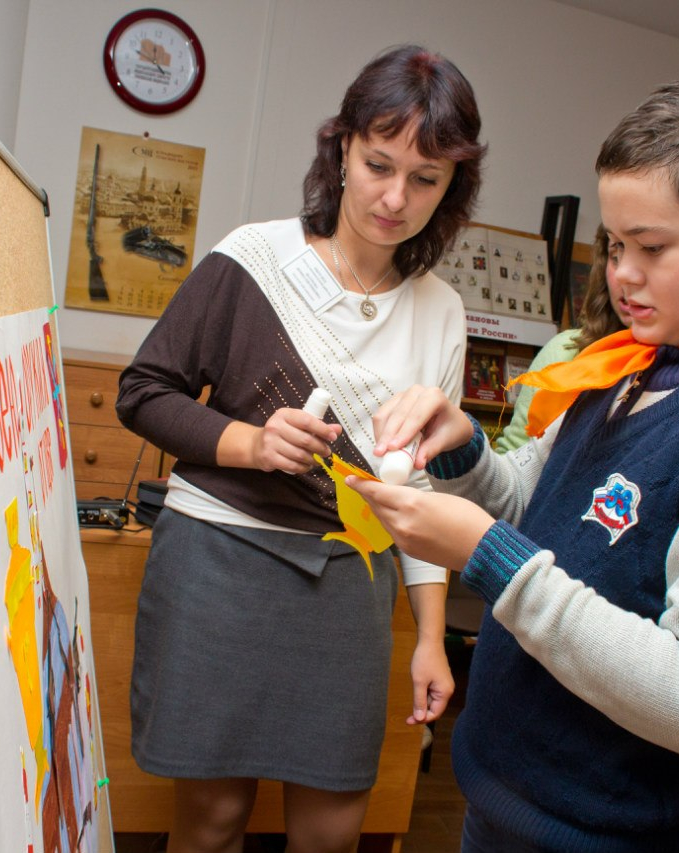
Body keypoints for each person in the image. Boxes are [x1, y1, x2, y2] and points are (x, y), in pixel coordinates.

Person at [350, 64, 679, 851]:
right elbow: (529, 501)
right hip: (507, 796)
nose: (620, 274)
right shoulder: (631, 363)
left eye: (651, 247)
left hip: (609, 831)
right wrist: (464, 450)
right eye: (615, 244)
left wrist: (491, 559)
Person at [114, 44, 486, 853]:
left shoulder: (442, 310)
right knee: (211, 821)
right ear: (342, 148)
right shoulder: (253, 259)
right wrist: (250, 441)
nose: (395, 198)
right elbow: (143, 392)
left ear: (452, 186)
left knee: (332, 829)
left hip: (350, 582)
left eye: (425, 179)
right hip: (219, 562)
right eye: (378, 164)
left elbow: (423, 495)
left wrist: (430, 635)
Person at [494, 222, 630, 453]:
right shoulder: (566, 350)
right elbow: (515, 453)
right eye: (616, 256)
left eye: (653, 250)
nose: (626, 275)